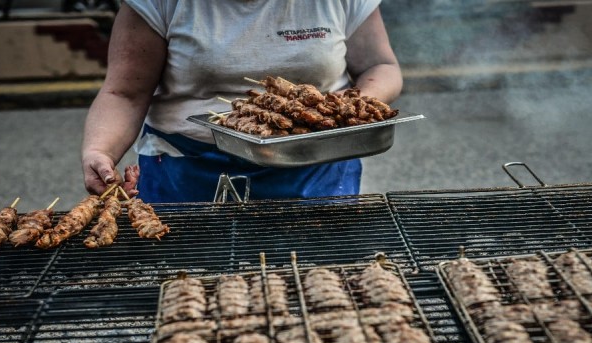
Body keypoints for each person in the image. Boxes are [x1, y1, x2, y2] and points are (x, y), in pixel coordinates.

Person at [81, 0, 402, 202]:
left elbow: (380, 66)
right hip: (188, 172)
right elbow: (124, 92)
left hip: (316, 167)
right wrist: (100, 150)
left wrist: (349, 107)